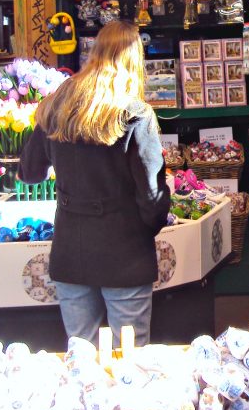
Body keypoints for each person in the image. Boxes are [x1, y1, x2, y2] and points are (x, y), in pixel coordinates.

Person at [20, 20, 170, 345]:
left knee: (80, 353)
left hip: (71, 247)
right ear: (134, 59)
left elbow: (30, 172)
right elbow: (152, 195)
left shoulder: (57, 104)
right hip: (125, 249)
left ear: (95, 51)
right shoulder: (134, 113)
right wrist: (151, 225)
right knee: (130, 355)